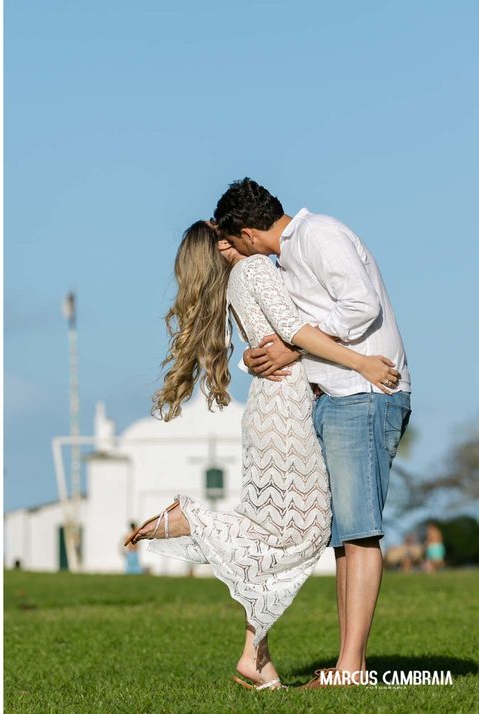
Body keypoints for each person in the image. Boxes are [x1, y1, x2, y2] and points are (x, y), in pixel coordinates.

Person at [126, 221, 400, 690]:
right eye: (229, 229)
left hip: (271, 407)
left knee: (271, 535)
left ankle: (255, 655)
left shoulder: (237, 280)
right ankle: (193, 520)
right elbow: (294, 331)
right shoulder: (254, 270)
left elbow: (269, 339)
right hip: (288, 409)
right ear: (224, 244)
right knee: (306, 532)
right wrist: (362, 362)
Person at [213, 179, 411, 687]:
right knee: (345, 538)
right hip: (336, 397)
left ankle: (351, 669)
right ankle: (350, 665)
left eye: (234, 241)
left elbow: (360, 306)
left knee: (359, 533)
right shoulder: (286, 258)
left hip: (363, 392)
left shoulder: (319, 235)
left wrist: (296, 347)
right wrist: (261, 353)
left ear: (248, 233)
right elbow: (286, 327)